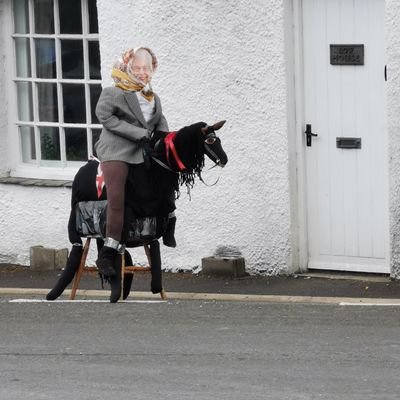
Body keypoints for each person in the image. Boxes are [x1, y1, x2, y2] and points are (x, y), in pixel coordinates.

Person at [95, 47, 173, 277]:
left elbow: (160, 124)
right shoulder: (113, 92)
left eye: (147, 68)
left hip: (142, 154)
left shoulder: (152, 96)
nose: (142, 73)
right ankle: (107, 254)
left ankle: (168, 223)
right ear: (128, 68)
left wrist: (168, 141)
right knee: (117, 200)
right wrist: (138, 134)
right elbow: (105, 117)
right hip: (116, 152)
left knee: (164, 180)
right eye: (137, 68)